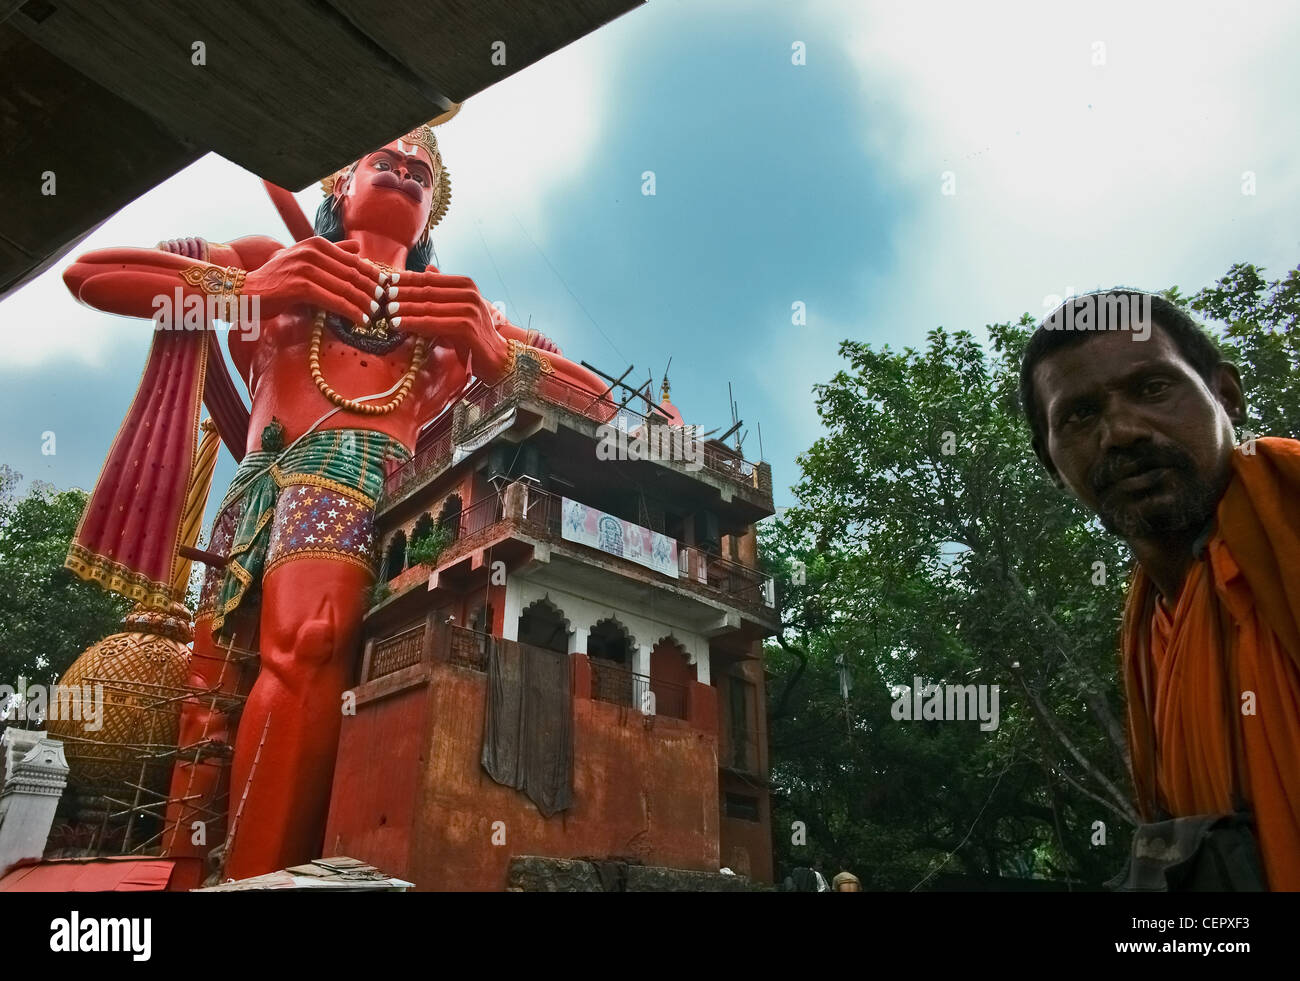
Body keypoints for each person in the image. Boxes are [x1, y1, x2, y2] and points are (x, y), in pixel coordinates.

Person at [61, 123, 607, 882]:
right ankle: (184, 871)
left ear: (431, 214)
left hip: (358, 483)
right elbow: (91, 274)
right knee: (209, 697)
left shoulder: (448, 316)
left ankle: (264, 873)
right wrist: (255, 290)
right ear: (339, 185)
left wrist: (488, 348)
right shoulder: (277, 262)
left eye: (423, 171)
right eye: (385, 160)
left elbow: (601, 404)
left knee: (311, 647)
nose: (407, 171)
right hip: (254, 489)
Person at [1020, 289, 1300, 890]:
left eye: (1152, 389)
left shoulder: (1291, 515)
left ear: (1225, 395)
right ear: (1052, 463)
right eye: (1079, 416)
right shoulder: (1152, 626)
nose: (1120, 433)